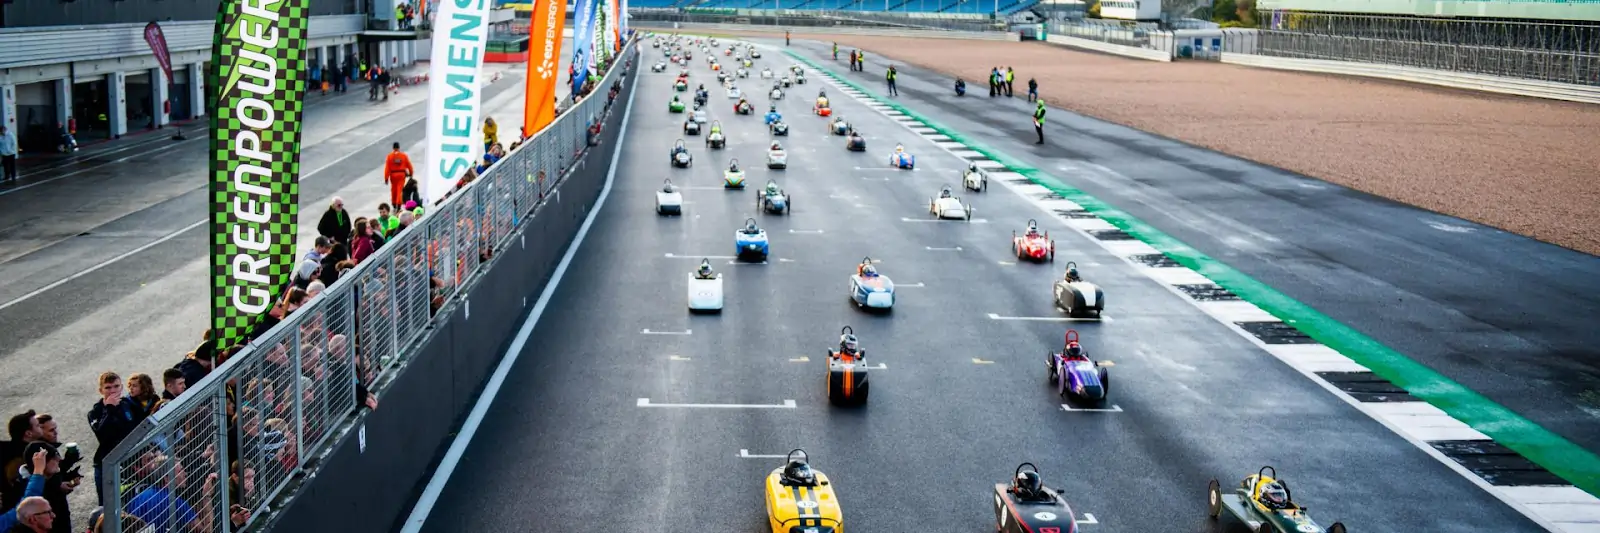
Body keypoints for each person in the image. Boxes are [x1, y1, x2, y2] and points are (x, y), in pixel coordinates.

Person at [384, 142, 414, 208]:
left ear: (393, 148)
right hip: (401, 174)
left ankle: (394, 203)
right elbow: (409, 165)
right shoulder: (403, 156)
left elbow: (387, 168)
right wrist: (411, 173)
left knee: (393, 189)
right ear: (399, 147)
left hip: (393, 175)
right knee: (399, 189)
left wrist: (386, 178)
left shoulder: (389, 156)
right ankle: (398, 203)